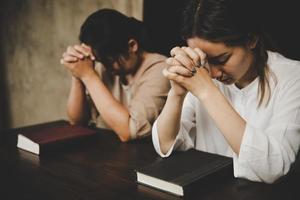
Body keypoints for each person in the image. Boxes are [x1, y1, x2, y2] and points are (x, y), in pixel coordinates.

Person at [152, 0, 300, 183]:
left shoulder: (293, 76)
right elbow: (165, 145)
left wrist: (207, 92)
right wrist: (177, 94)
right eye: (206, 60)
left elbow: (274, 167)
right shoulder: (200, 71)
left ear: (251, 40)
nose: (213, 74)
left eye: (221, 59)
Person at [61, 9, 170, 142]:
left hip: (151, 156)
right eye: (101, 61)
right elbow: (77, 122)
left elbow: (130, 131)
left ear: (132, 46)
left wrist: (88, 76)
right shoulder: (106, 68)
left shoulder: (161, 69)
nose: (105, 67)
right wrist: (77, 74)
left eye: (110, 60)